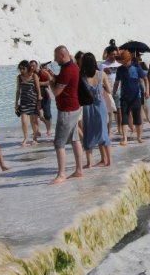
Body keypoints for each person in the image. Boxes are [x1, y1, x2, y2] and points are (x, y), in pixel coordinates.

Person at [43, 46, 84, 184]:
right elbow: (62, 82)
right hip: (75, 107)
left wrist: (49, 80)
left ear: (62, 55)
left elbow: (56, 92)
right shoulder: (72, 67)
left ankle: (61, 174)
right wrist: (52, 76)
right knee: (75, 139)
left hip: (67, 110)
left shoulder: (67, 70)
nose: (54, 59)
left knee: (59, 143)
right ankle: (79, 170)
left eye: (56, 56)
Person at [80, 53, 111, 168]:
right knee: (103, 131)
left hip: (88, 107)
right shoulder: (101, 75)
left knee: (88, 132)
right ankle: (109, 161)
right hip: (100, 105)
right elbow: (109, 90)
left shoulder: (82, 77)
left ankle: (89, 163)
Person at [113, 50, 148, 145]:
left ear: (129, 59)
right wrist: (113, 94)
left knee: (137, 118)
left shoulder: (136, 67)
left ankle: (139, 137)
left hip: (136, 96)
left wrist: (147, 90)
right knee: (125, 118)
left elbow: (145, 78)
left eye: (125, 61)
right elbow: (116, 83)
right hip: (124, 97)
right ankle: (124, 138)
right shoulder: (120, 69)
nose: (123, 63)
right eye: (122, 62)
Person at [14, 60, 42, 146]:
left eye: (23, 68)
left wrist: (39, 101)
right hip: (24, 102)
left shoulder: (34, 76)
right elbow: (18, 90)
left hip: (33, 101)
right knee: (23, 121)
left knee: (33, 121)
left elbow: (38, 89)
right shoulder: (19, 77)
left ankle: (35, 138)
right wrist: (16, 103)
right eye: (20, 68)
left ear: (28, 68)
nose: (21, 70)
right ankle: (25, 138)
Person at [30, 60, 53, 137]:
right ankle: (37, 130)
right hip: (36, 96)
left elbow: (49, 82)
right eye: (31, 66)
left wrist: (38, 83)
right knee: (38, 115)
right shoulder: (31, 74)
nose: (32, 67)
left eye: (33, 66)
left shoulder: (42, 72)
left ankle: (49, 130)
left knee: (47, 114)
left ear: (36, 66)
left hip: (45, 95)